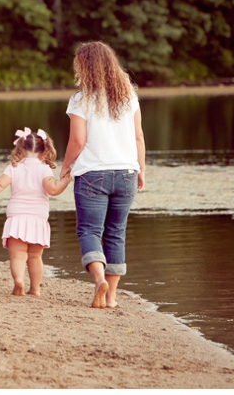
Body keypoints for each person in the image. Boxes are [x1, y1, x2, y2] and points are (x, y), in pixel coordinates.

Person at [60, 41, 146, 309]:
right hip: (127, 172)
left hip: (92, 175)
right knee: (116, 232)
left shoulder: (80, 99)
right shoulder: (129, 96)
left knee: (89, 230)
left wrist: (64, 166)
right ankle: (111, 299)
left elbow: (77, 141)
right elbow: (139, 137)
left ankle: (99, 280)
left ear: (83, 67)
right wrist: (141, 169)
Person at [0, 127, 70, 297]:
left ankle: (19, 280)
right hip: (37, 219)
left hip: (17, 219)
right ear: (44, 154)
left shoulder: (14, 167)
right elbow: (53, 189)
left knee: (18, 257)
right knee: (35, 257)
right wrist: (65, 181)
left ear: (20, 151)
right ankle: (35, 289)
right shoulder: (44, 169)